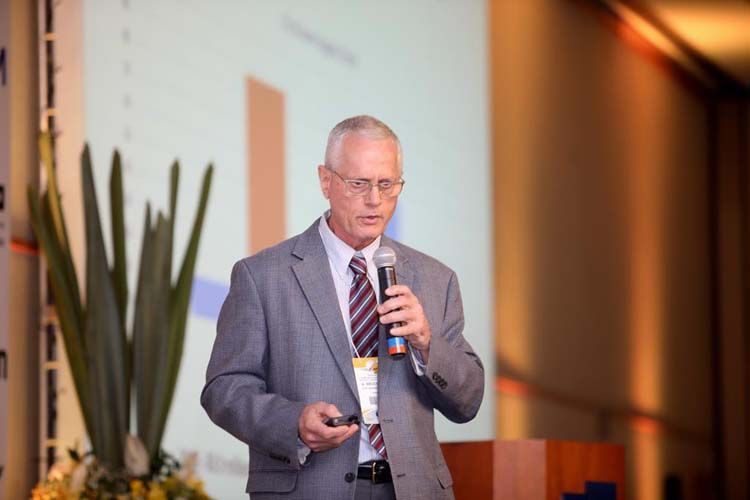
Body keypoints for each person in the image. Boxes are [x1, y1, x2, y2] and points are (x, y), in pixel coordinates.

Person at [201, 115, 484, 500]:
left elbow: (468, 400)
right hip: (309, 488)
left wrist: (426, 343)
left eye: (387, 184)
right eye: (359, 184)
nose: (375, 200)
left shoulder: (436, 279)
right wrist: (293, 422)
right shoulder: (262, 275)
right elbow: (224, 389)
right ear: (325, 181)